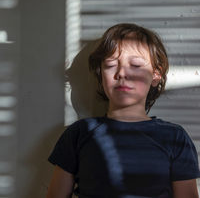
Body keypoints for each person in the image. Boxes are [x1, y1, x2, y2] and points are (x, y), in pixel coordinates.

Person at [46, 23, 200, 198]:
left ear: (156, 75)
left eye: (135, 65)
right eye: (110, 64)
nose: (121, 73)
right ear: (100, 75)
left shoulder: (175, 137)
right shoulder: (79, 134)